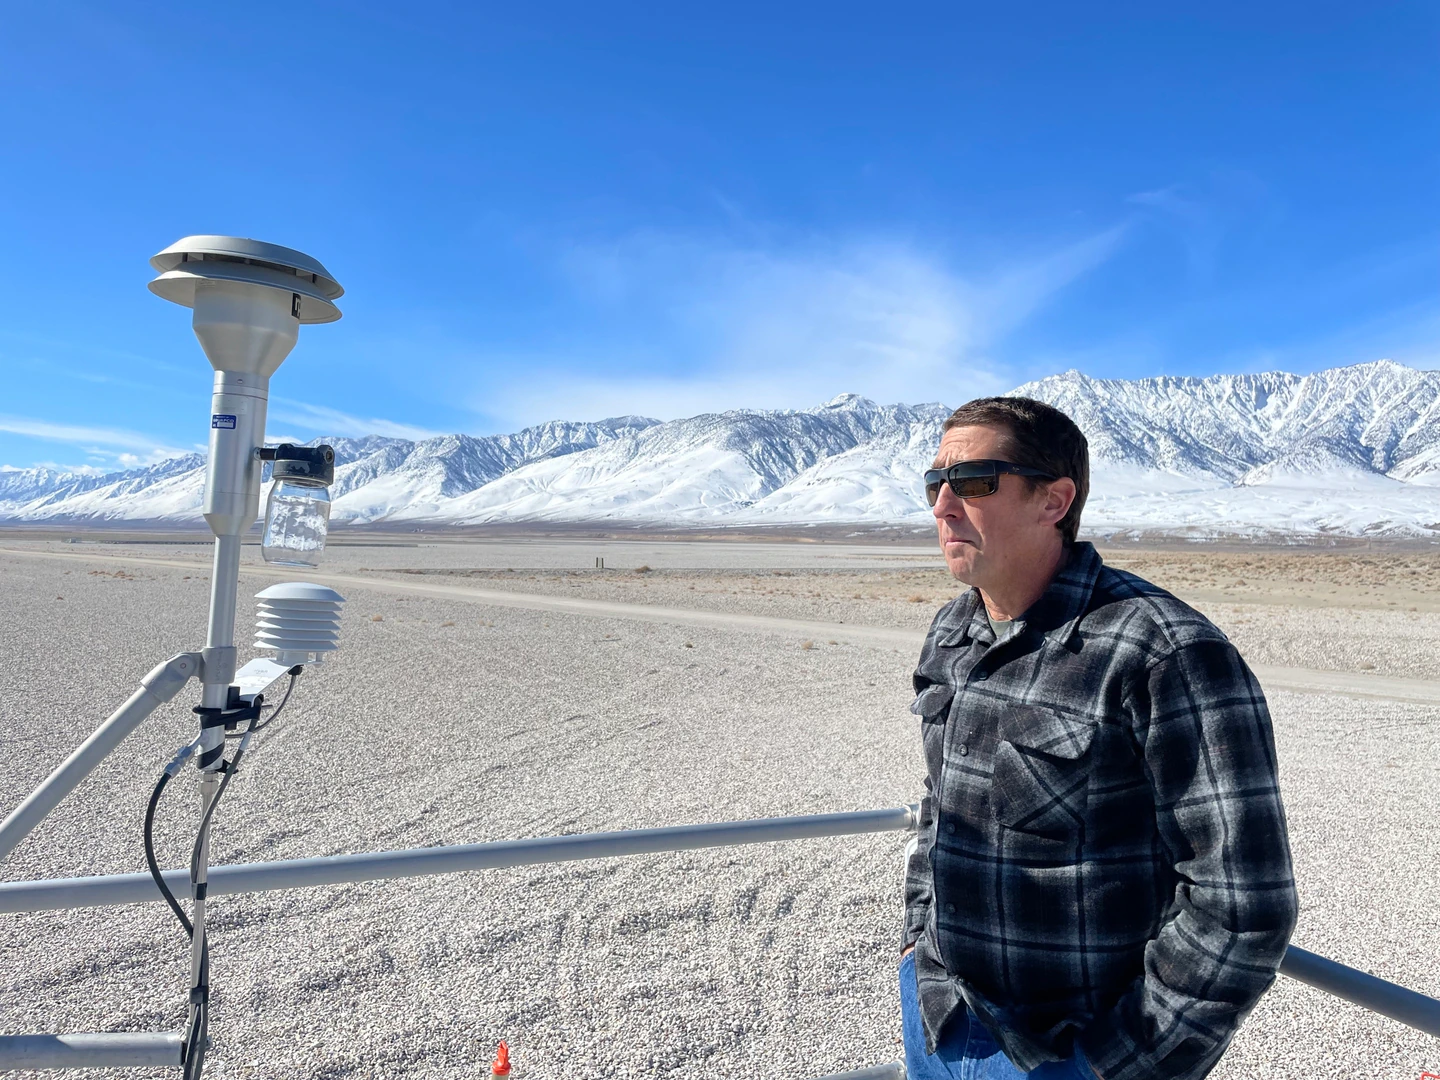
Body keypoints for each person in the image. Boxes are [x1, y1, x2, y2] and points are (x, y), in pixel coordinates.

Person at [899, 396, 1298, 1080]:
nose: (941, 506)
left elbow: (1243, 904)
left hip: (1070, 1053)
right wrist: (915, 949)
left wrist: (1120, 1065)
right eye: (935, 482)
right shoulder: (953, 629)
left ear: (1053, 501)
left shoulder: (1164, 652)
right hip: (941, 1017)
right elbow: (940, 806)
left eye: (972, 481)